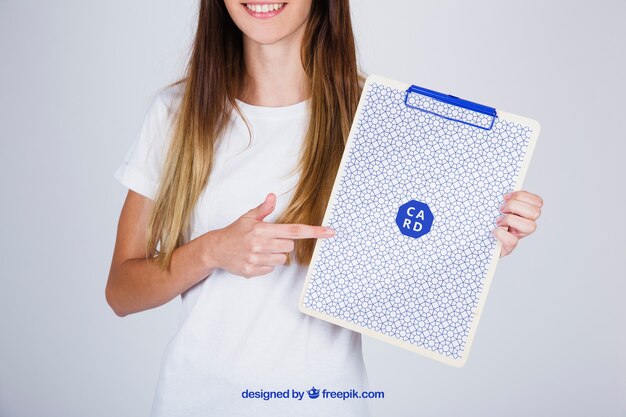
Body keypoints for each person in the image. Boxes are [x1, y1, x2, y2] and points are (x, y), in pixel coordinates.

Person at [106, 0, 544, 416]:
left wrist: (476, 238)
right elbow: (121, 292)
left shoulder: (377, 115)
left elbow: (406, 259)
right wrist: (211, 251)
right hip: (198, 402)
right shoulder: (176, 115)